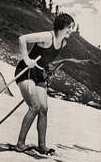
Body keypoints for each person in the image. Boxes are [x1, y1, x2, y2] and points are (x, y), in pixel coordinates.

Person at [14, 13, 75, 154]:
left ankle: (42, 145)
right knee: (34, 107)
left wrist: (47, 69)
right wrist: (27, 59)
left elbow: (45, 57)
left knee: (44, 109)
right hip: (25, 70)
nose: (71, 30)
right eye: (69, 27)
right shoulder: (48, 37)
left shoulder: (63, 43)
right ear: (61, 27)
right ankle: (20, 144)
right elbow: (22, 39)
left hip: (39, 74)